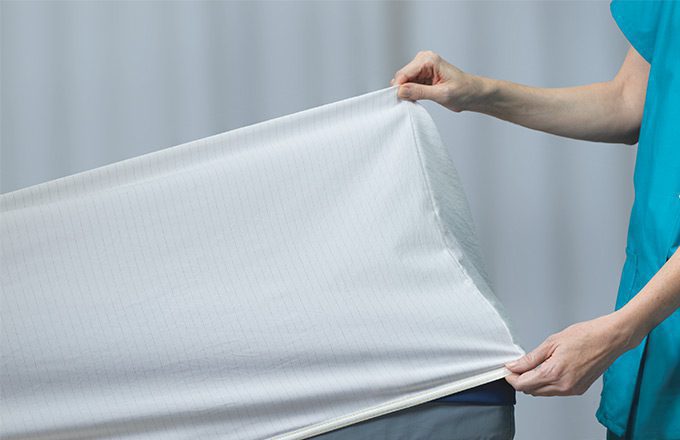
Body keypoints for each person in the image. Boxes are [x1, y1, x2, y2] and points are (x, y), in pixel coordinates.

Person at [315, 1, 678, 439]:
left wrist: (620, 332)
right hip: (657, 322)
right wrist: (478, 92)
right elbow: (627, 100)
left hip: (649, 315)